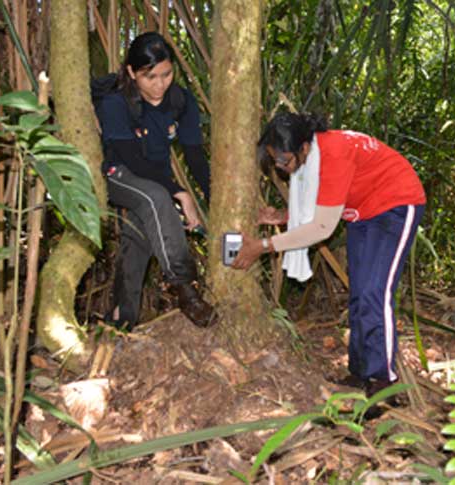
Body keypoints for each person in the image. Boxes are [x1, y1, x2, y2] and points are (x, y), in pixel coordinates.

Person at [232, 112, 426, 396]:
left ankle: (383, 383)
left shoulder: (334, 155)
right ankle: (361, 373)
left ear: (304, 148)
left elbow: (322, 227)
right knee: (360, 293)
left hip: (396, 204)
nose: (281, 167)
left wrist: (263, 246)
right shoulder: (315, 154)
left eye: (284, 160)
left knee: (376, 293)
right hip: (363, 212)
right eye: (275, 160)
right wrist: (284, 217)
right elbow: (322, 204)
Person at [95, 32, 214, 328]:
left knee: (139, 238)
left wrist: (213, 198)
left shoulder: (181, 101)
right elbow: (129, 157)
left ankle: (122, 319)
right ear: (132, 72)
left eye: (166, 74)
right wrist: (180, 193)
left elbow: (195, 155)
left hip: (155, 177)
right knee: (157, 199)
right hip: (119, 174)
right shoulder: (115, 102)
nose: (159, 84)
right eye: (150, 76)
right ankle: (186, 290)